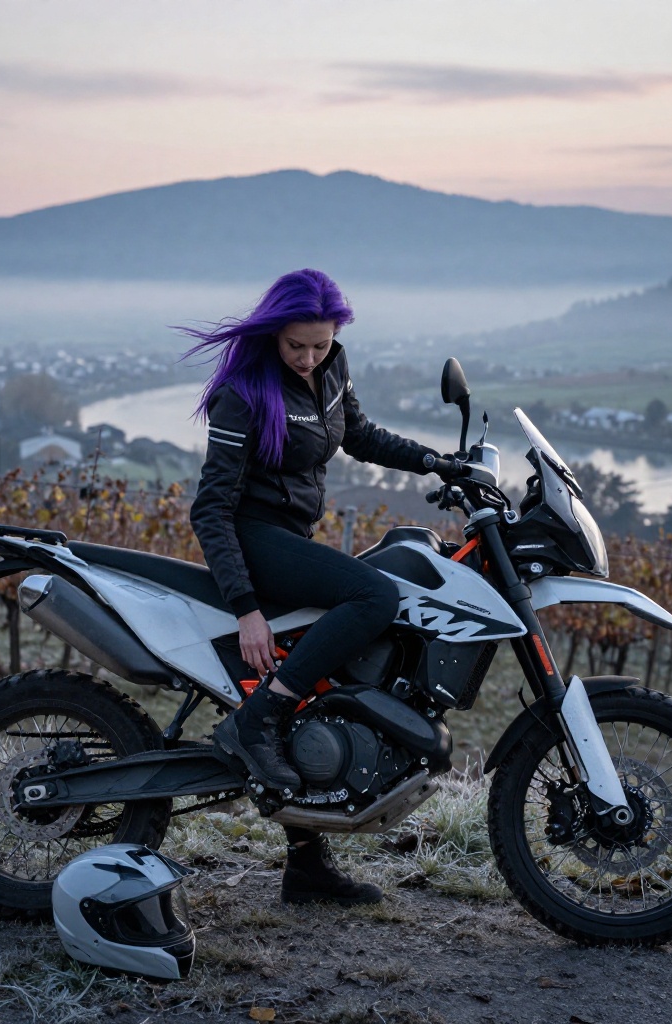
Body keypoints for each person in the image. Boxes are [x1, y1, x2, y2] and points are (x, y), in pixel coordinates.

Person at [182, 268, 439, 906]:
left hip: (293, 537)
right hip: (254, 539)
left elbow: (359, 434)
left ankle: (306, 866)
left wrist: (439, 462)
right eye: (296, 345)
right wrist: (247, 610)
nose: (306, 358)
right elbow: (210, 510)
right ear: (274, 333)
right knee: (376, 596)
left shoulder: (330, 371)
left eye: (319, 345)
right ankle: (258, 718)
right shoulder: (244, 394)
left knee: (333, 671)